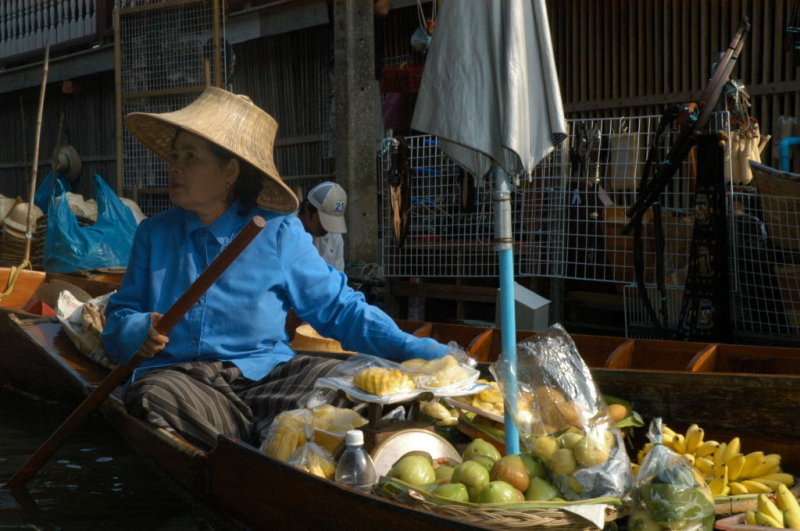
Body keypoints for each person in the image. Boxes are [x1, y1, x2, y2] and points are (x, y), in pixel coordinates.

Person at [102, 87, 448, 451]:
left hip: (268, 377)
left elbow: (338, 309)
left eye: (191, 156)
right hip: (185, 381)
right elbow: (116, 324)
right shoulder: (154, 235)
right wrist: (140, 329)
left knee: (356, 381)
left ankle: (261, 435)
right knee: (153, 396)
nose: (175, 166)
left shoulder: (278, 231)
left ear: (229, 172)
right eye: (175, 155)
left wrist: (417, 350)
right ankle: (264, 441)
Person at [298, 181, 347, 272]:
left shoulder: (335, 235)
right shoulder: (288, 235)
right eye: (325, 221)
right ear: (308, 209)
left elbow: (338, 274)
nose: (328, 228)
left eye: (333, 223)